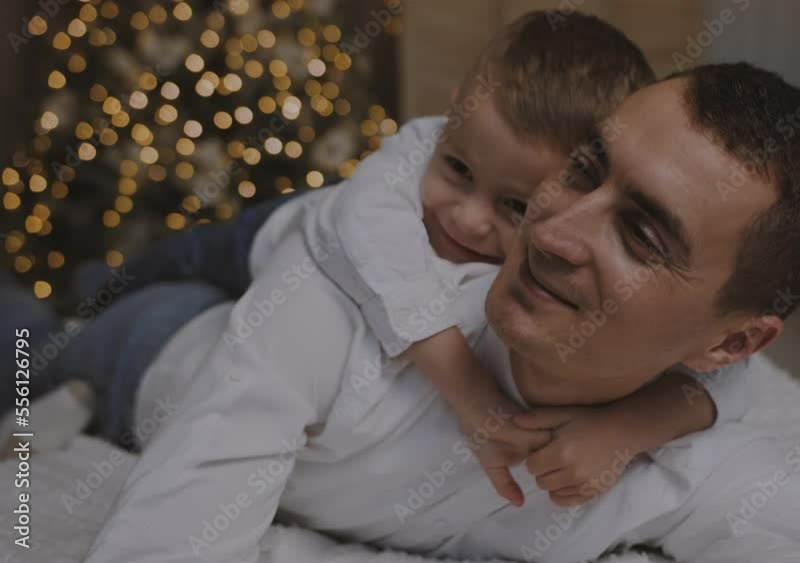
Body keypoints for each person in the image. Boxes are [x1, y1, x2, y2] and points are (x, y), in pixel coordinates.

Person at [73, 62, 800, 562]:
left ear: (733, 342)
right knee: (35, 341)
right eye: (583, 170)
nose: (546, 232)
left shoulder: (682, 448)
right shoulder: (344, 304)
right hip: (157, 343)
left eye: (640, 233)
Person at [67, 12, 745, 506]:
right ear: (450, 120)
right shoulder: (402, 169)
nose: (465, 217)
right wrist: (470, 392)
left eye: (514, 206)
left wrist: (633, 423)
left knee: (183, 312)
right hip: (282, 232)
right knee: (165, 264)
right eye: (456, 168)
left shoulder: (548, 265)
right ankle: (97, 289)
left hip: (228, 310)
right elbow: (372, 243)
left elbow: (727, 381)